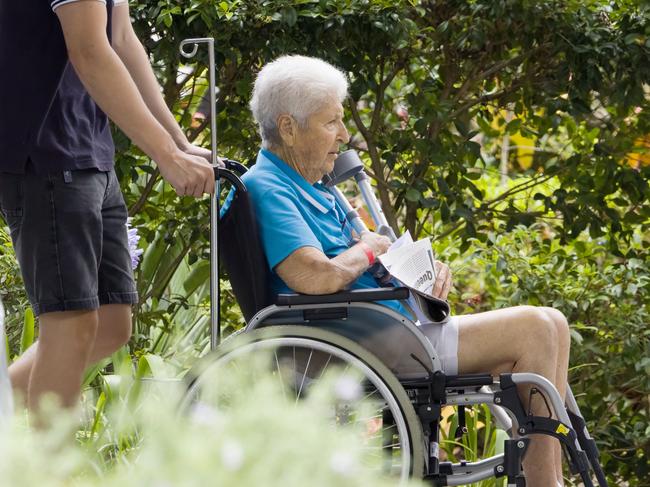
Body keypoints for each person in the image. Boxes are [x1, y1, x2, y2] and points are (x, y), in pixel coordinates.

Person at [243, 55, 570, 487]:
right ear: (288, 127)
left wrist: (420, 276)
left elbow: (364, 258)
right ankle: (547, 483)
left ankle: (548, 477)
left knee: (552, 324)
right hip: (358, 338)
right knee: (535, 327)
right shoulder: (269, 188)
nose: (343, 135)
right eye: (331, 123)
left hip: (381, 326)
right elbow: (315, 276)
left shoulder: (312, 187)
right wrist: (370, 250)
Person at [0, 0, 215, 419]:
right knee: (71, 321)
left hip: (89, 151)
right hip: (46, 155)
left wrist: (178, 142)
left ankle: (5, 401)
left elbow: (122, 38)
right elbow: (90, 51)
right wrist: (165, 157)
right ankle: (50, 474)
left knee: (112, 322)